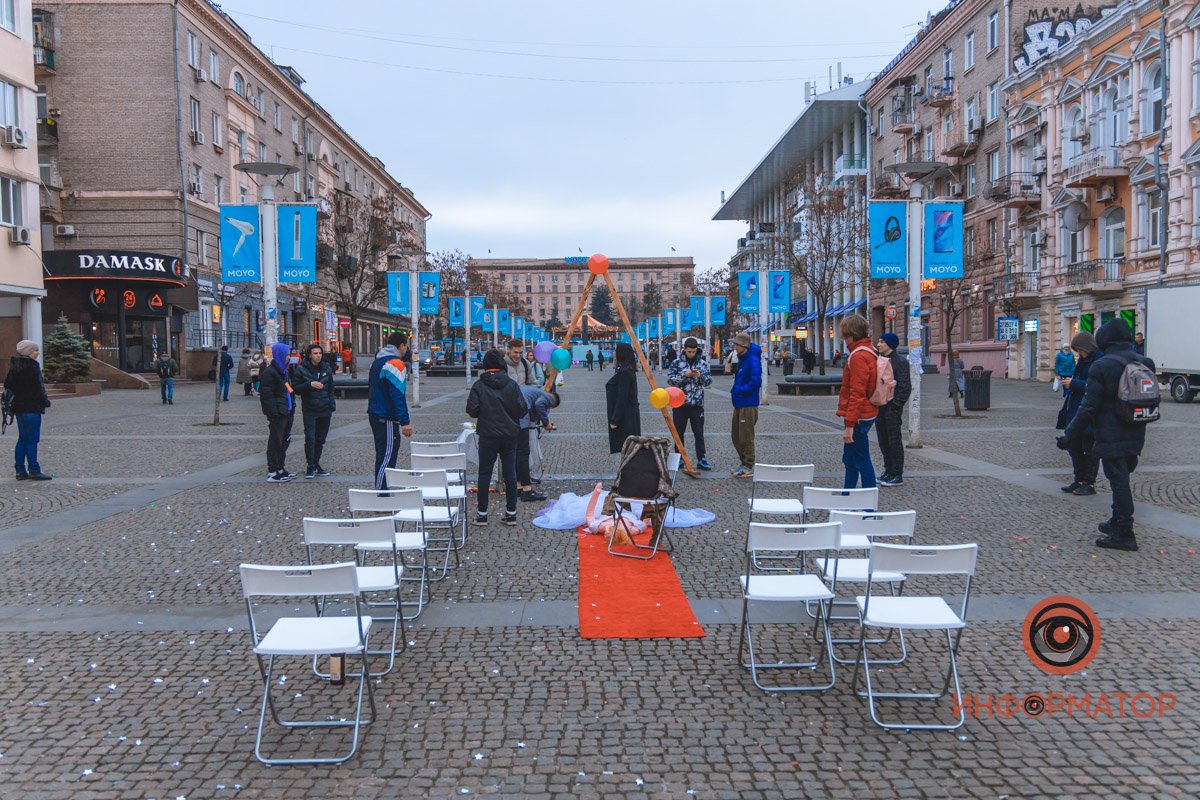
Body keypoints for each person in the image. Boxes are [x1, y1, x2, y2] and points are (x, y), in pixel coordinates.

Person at [1060, 319, 1155, 551]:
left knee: (1118, 481)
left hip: (1111, 433)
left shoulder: (1102, 366)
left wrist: (1068, 434)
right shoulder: (1144, 361)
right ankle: (1116, 522)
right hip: (1136, 429)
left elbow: (1088, 406)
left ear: (1106, 340)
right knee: (1122, 478)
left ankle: (1124, 532)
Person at [468, 349, 528, 526]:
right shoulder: (512, 385)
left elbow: (472, 410)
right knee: (510, 472)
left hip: (487, 434)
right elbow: (522, 408)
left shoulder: (479, 385)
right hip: (509, 434)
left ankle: (482, 514)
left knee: (484, 473)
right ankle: (511, 513)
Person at [837, 315, 879, 489]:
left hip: (860, 416)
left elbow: (857, 392)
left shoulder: (858, 356)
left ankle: (868, 505)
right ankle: (848, 497)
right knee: (850, 460)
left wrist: (849, 425)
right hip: (867, 412)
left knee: (861, 461)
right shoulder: (869, 350)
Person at [367, 332, 413, 490]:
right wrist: (405, 421)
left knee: (383, 454)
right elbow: (397, 395)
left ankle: (384, 490)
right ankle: (382, 495)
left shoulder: (377, 361)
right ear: (401, 346)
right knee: (387, 457)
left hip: (376, 413)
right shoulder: (395, 364)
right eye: (406, 345)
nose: (406, 349)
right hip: (385, 416)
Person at [1057, 332, 1099, 497]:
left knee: (1089, 448)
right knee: (1073, 446)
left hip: (1088, 411)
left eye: (1080, 350)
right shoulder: (1083, 361)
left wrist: (1073, 383)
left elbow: (1094, 386)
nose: (1079, 353)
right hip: (1076, 408)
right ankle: (1078, 478)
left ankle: (1088, 482)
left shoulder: (1097, 361)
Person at [4, 340, 52, 481]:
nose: (37, 353)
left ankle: (20, 470)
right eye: (35, 350)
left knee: (22, 439)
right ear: (28, 352)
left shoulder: (15, 366)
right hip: (31, 407)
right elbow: (38, 389)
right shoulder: (32, 367)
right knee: (32, 439)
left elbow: (8, 385)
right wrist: (45, 402)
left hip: (19, 408)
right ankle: (34, 469)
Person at [667, 336, 713, 471]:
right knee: (678, 432)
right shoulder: (676, 363)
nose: (691, 354)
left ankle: (701, 458)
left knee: (698, 432)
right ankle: (679, 457)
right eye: (689, 352)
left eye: (693, 352)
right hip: (680, 403)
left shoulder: (702, 364)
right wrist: (684, 376)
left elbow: (709, 381)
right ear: (684, 350)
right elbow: (670, 380)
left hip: (697, 404)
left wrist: (700, 376)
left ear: (696, 350)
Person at [293, 342, 336, 479]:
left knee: (320, 439)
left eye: (320, 353)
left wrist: (331, 404)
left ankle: (316, 464)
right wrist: (309, 384)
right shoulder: (301, 369)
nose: (318, 356)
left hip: (325, 408)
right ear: (309, 355)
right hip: (310, 409)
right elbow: (296, 388)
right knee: (310, 438)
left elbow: (330, 388)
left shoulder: (326, 368)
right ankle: (310, 465)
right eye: (315, 353)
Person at [874, 333, 911, 487]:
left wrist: (896, 406)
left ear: (890, 344)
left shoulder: (900, 362)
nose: (878, 344)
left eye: (881, 342)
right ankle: (888, 470)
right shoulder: (879, 360)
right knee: (883, 441)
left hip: (892, 408)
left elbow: (905, 387)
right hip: (879, 407)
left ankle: (897, 473)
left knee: (894, 441)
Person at [259, 342, 297, 482]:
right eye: (287, 355)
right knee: (275, 441)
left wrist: (291, 405)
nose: (289, 357)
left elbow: (289, 390)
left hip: (286, 411)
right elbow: (267, 396)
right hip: (278, 414)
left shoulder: (283, 372)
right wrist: (274, 413)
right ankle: (273, 471)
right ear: (280, 355)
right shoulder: (270, 373)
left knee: (284, 441)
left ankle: (280, 467)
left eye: (290, 355)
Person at [518, 384, 558, 501]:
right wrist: (546, 423)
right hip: (521, 418)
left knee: (517, 454)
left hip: (515, 416)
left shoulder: (535, 391)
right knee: (523, 454)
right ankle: (527, 490)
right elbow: (539, 405)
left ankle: (518, 487)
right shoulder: (548, 397)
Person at [729, 331, 761, 478]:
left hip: (748, 403)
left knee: (745, 436)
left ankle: (748, 464)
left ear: (743, 345)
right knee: (736, 435)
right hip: (740, 402)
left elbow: (756, 382)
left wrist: (740, 390)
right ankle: (743, 463)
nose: (735, 347)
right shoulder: (743, 359)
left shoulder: (752, 360)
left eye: (737, 344)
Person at [605, 343, 640, 456]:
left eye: (616, 351)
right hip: (630, 414)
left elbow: (622, 397)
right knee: (629, 448)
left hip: (626, 416)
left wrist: (615, 419)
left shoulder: (624, 371)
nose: (614, 353)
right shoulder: (629, 369)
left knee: (627, 448)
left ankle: (628, 472)